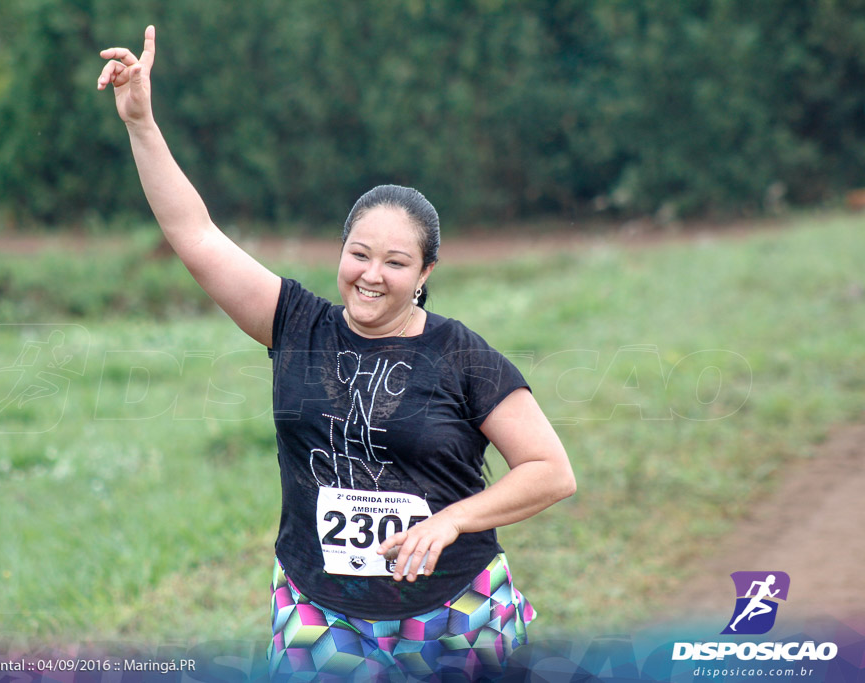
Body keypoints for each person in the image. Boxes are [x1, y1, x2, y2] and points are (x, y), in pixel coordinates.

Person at [98, 26, 576, 680]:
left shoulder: (461, 354)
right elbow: (194, 234)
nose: (371, 274)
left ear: (427, 270)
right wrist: (142, 123)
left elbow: (550, 469)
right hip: (318, 613)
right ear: (341, 251)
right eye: (359, 253)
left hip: (453, 612)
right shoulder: (296, 324)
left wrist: (450, 522)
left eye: (396, 261)